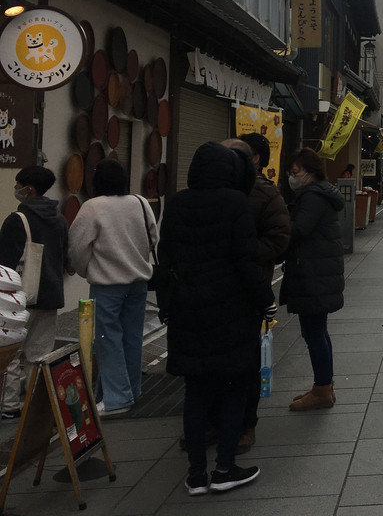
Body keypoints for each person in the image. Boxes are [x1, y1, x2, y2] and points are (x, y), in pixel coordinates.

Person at [157, 142, 274, 495]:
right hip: (231, 310)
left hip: (188, 311)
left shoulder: (176, 203)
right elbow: (245, 260)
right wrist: (266, 300)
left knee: (195, 393)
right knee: (235, 386)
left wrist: (167, 304)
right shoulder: (235, 203)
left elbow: (165, 260)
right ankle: (224, 468)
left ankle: (195, 475)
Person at [69, 160, 156, 416]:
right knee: (131, 337)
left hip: (107, 284)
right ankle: (129, 390)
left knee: (108, 340)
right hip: (139, 282)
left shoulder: (92, 207)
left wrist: (87, 270)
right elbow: (153, 238)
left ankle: (117, 399)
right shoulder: (140, 203)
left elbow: (76, 248)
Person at [230, 135, 291, 451]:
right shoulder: (206, 194)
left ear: (252, 159)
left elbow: (279, 239)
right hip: (205, 294)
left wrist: (241, 254)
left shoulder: (266, 194)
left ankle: (244, 424)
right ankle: (212, 422)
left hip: (248, 290)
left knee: (246, 361)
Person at [0, 166, 69, 417]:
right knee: (40, 356)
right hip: (51, 296)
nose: (16, 189)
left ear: (29, 190)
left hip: (20, 299)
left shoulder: (17, 221)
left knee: (11, 355)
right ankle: (35, 407)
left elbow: (4, 265)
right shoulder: (59, 219)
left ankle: (9, 407)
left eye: (18, 185)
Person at [282, 148, 345, 412]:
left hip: (313, 274)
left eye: (295, 172)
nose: (292, 177)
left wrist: (277, 222)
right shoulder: (318, 193)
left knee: (314, 332)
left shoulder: (312, 196)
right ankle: (323, 386)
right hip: (319, 271)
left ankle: (322, 389)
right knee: (317, 331)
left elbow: (299, 230)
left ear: (310, 171)